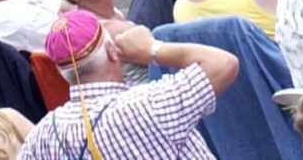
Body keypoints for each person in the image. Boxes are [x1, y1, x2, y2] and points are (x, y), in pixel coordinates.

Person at [23, 9, 240, 160]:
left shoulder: (42, 136)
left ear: (63, 74)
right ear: (111, 50)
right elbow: (223, 64)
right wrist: (152, 49)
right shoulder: (149, 105)